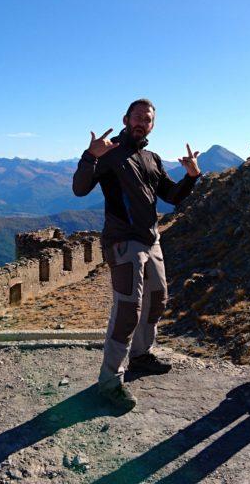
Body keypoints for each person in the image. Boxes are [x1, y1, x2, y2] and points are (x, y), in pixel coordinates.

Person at [72, 99, 201, 410]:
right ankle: (109, 380)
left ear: (152, 125)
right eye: (138, 117)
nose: (142, 122)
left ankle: (141, 356)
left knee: (157, 300)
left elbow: (171, 196)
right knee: (128, 308)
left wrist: (192, 176)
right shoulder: (109, 152)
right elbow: (80, 189)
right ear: (126, 119)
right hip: (122, 242)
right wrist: (90, 155)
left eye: (148, 118)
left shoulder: (151, 158)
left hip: (151, 240)